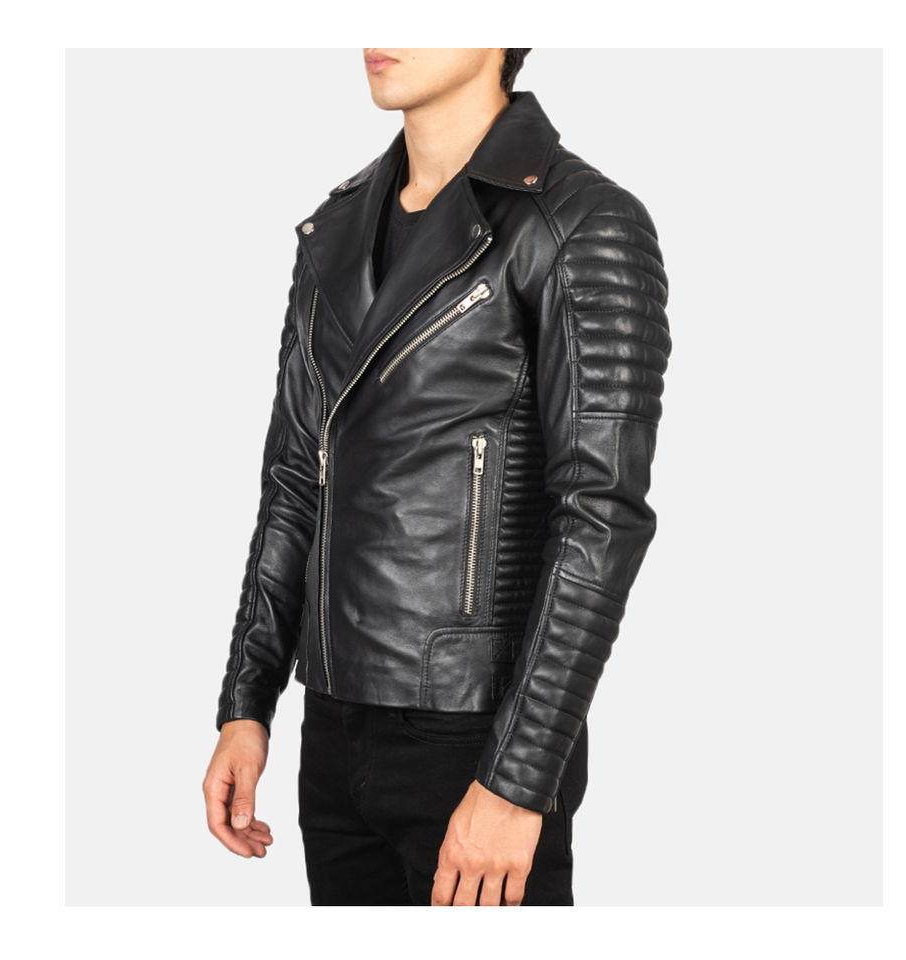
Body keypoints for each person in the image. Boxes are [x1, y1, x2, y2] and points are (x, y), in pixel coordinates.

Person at [202, 48, 672, 907]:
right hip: (333, 731)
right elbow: (294, 480)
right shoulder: (334, 229)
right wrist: (247, 702)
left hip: (477, 736)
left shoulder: (579, 221)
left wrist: (518, 778)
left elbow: (601, 519)